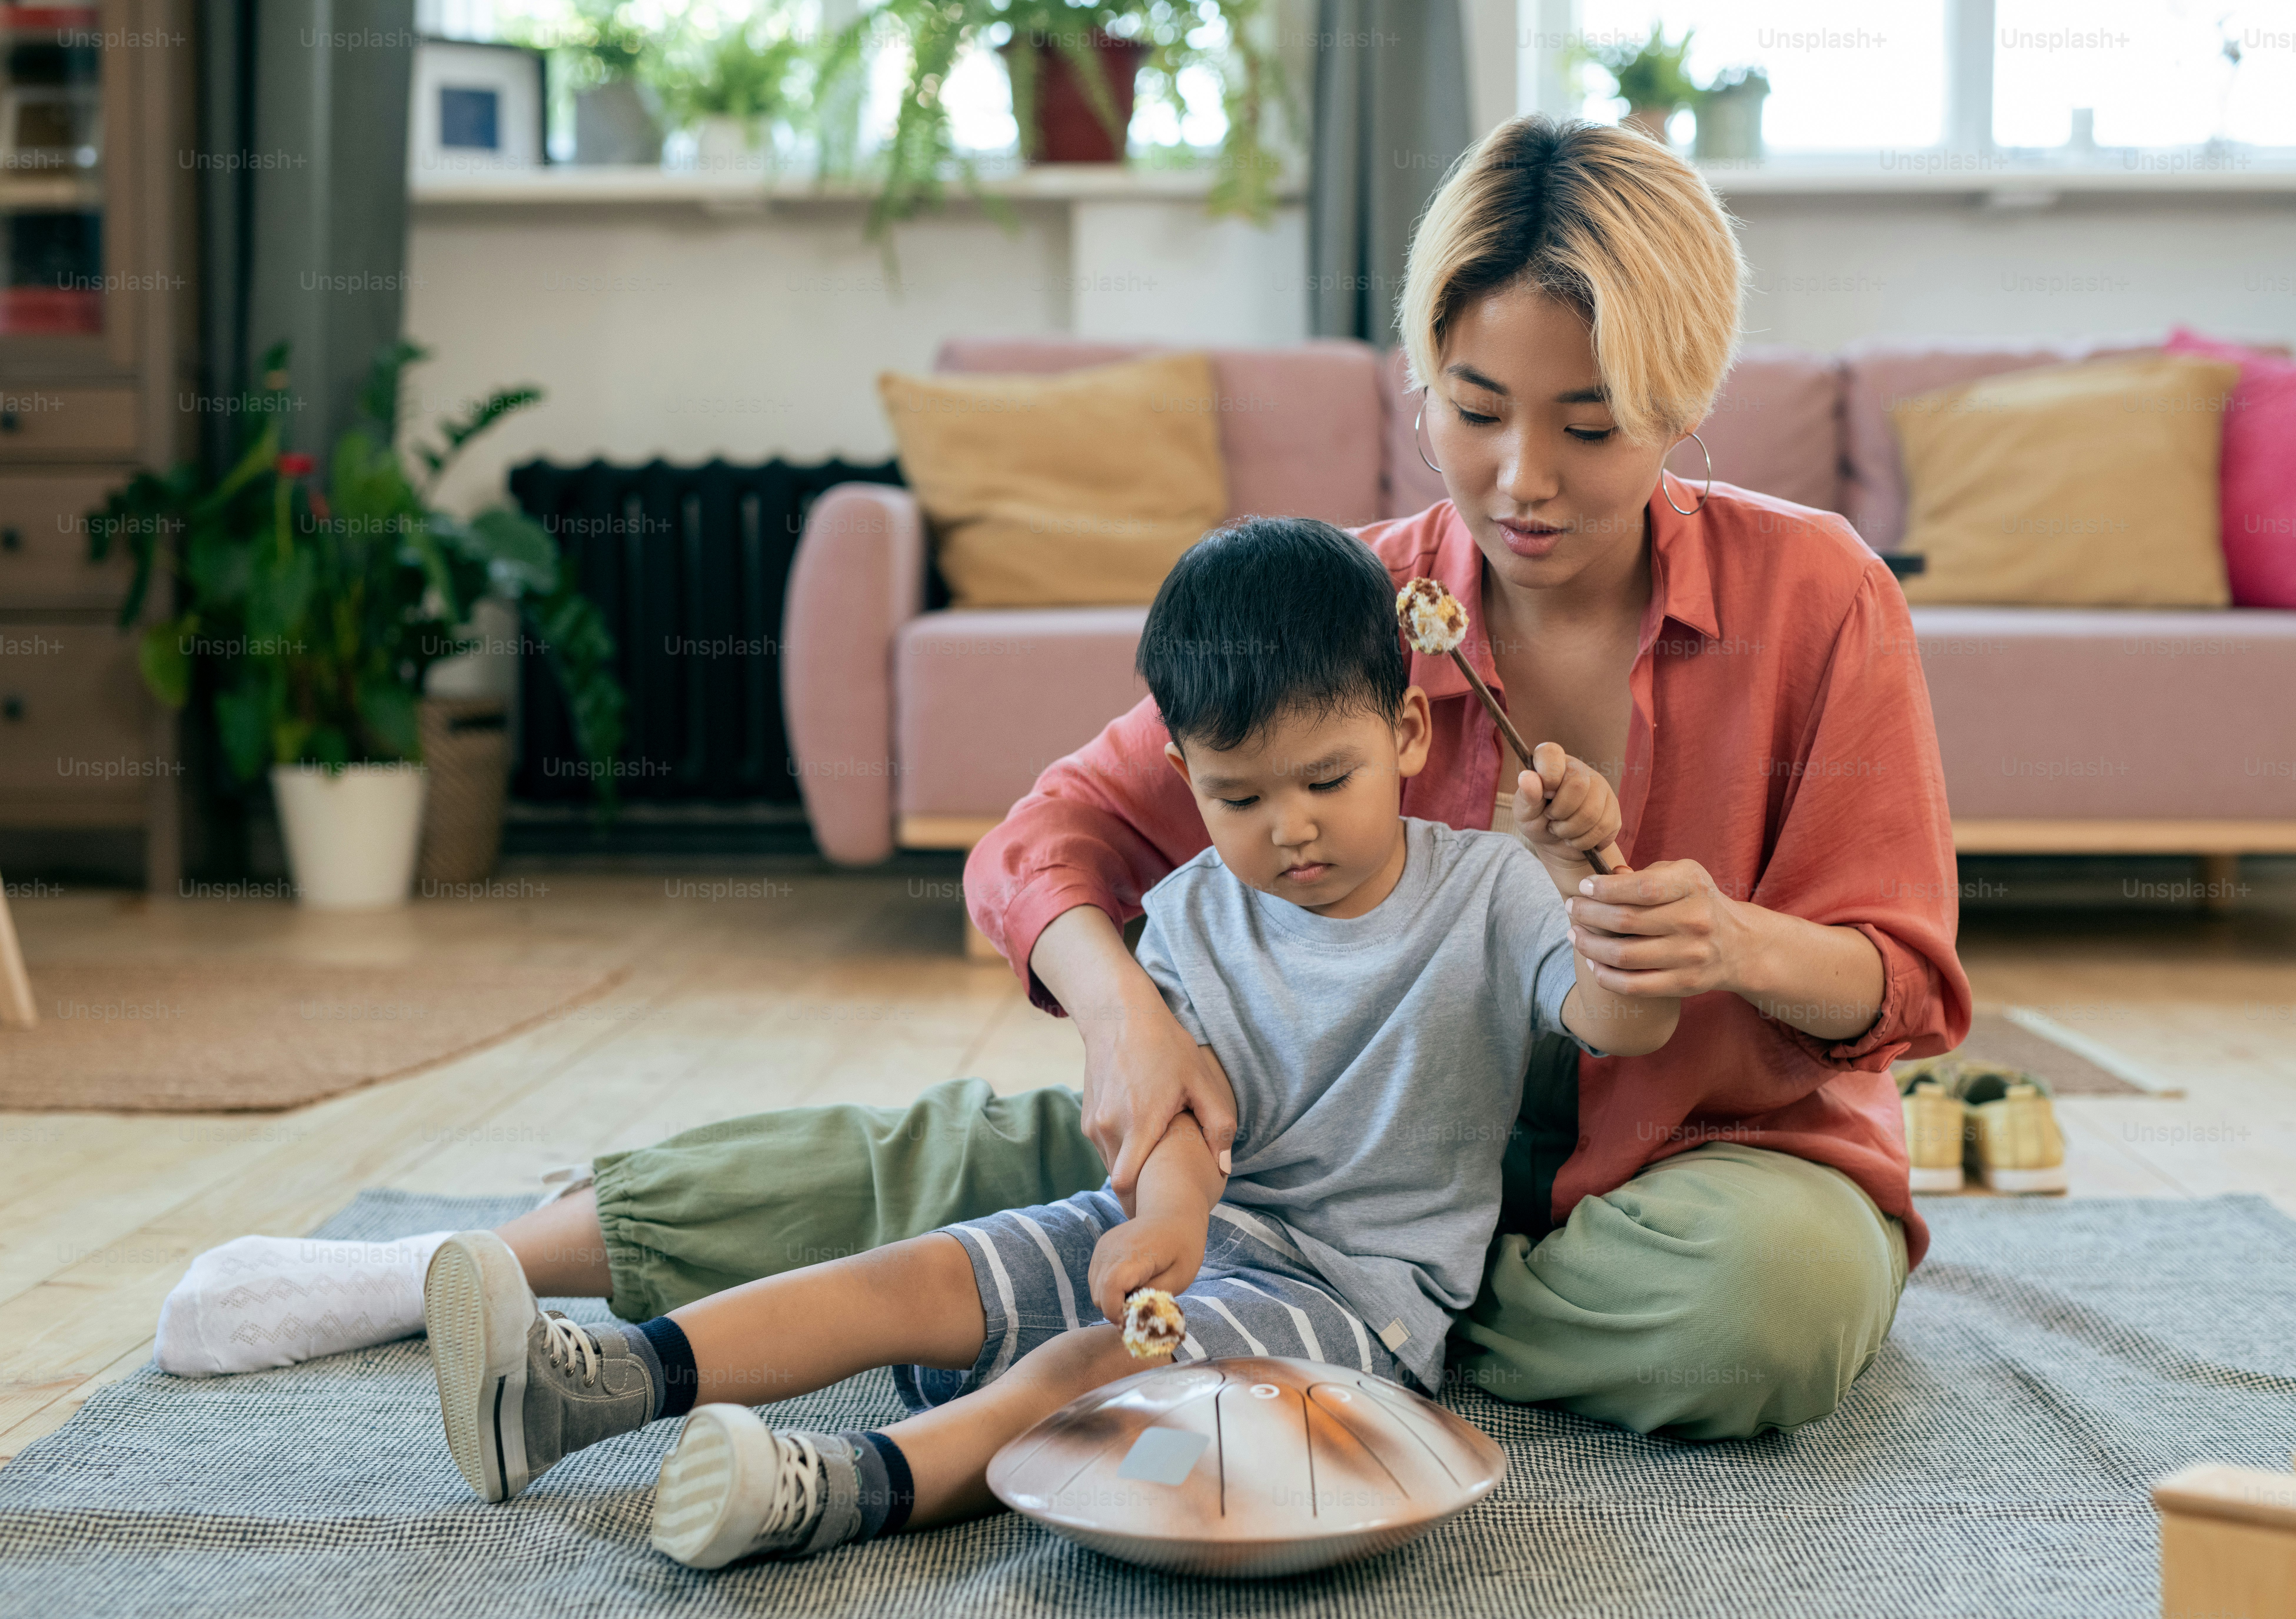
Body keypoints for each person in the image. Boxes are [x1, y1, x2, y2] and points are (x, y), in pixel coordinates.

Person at [156, 113, 1968, 1441]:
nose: (1522, 477)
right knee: (973, 1149)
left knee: (1775, 1309)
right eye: (1476, 407)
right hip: (1314, 1142)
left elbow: (1906, 980)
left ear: (1686, 395)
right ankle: (450, 1271)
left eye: (1591, 426)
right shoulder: (1351, 604)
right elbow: (1051, 838)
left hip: (1696, 1166)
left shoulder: (1818, 597)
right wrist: (1121, 1019)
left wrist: (1726, 942)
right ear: (1425, 378)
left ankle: (1353, 1315)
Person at [414, 518, 1673, 1568]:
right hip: (1204, 1235)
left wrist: (1587, 885)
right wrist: (1168, 1225)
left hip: (1358, 1311)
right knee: (914, 1271)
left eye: (1326, 780)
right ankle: (588, 1388)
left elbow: (1626, 1022)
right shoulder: (1187, 912)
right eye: (1238, 797)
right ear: (1184, 774)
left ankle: (836, 1487)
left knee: (1085, 1362)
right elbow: (1191, 1113)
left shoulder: (1498, 892)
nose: (1289, 827)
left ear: (1408, 733)